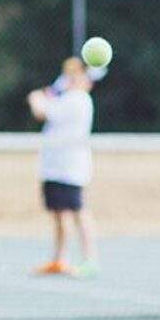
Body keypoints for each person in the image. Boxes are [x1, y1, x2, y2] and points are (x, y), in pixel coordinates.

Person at [27, 56, 101, 278]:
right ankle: (59, 259)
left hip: (70, 168)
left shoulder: (77, 99)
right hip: (53, 166)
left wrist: (35, 98)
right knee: (59, 214)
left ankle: (90, 260)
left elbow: (41, 111)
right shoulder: (67, 97)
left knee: (79, 212)